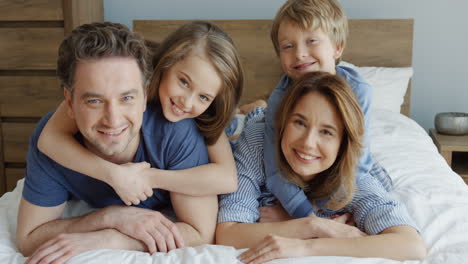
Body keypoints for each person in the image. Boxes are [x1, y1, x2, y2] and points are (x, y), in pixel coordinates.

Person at [17, 22, 218, 264]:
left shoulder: (176, 131)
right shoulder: (52, 140)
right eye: (94, 101)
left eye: (127, 98)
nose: (112, 120)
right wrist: (109, 217)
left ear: (144, 96)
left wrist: (111, 239)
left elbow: (201, 232)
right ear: (69, 103)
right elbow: (28, 239)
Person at [216, 72, 426, 263]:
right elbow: (228, 232)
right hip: (256, 126)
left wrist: (307, 245)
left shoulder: (353, 176)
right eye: (299, 123)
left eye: (326, 132)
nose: (308, 143)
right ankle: (255, 107)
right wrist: (314, 225)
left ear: (342, 143)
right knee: (248, 121)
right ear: (283, 123)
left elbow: (411, 244)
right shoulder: (258, 142)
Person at [36, 21, 244, 206]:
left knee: (234, 124)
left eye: (204, 97)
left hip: (221, 125)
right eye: (183, 82)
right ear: (165, 64)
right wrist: (114, 175)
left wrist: (148, 177)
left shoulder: (205, 115)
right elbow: (48, 139)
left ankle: (247, 109)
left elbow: (227, 179)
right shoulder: (127, 78)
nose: (186, 102)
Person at [263, 0, 393, 220]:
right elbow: (275, 170)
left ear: (337, 47)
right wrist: (307, 216)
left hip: (346, 173)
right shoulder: (279, 99)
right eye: (288, 46)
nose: (300, 54)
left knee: (376, 190)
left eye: (311, 41)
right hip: (299, 173)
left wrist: (328, 208)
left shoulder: (358, 92)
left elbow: (356, 165)